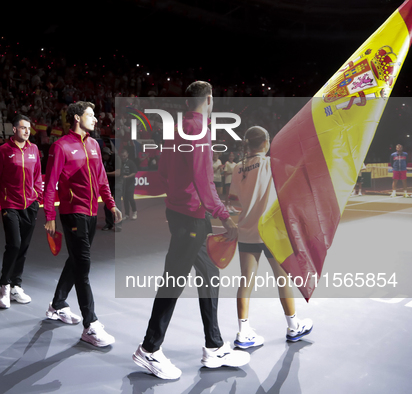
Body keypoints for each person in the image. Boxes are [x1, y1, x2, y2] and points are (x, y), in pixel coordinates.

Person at [132, 81, 249, 380]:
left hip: (182, 212)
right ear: (209, 99)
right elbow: (203, 179)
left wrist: (179, 196)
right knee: (173, 281)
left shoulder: (175, 128)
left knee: (210, 275)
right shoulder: (199, 130)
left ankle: (214, 346)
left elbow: (163, 171)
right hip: (192, 216)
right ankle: (149, 349)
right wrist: (224, 215)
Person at [43, 101, 122, 347]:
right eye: (90, 115)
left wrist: (110, 204)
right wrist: (49, 216)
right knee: (83, 267)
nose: (96, 119)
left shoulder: (94, 144)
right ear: (77, 117)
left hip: (91, 213)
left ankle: (57, 304)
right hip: (72, 212)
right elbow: (51, 182)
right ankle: (91, 325)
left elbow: (101, 180)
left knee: (76, 260)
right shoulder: (60, 146)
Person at [229, 126, 313, 350]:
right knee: (282, 280)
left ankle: (243, 331)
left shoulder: (237, 168)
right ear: (266, 143)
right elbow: (301, 178)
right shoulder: (272, 163)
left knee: (245, 281)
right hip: (272, 232)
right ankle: (293, 326)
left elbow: (234, 203)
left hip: (246, 230)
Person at [0, 115, 42, 308]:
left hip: (30, 206)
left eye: (29, 128)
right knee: (14, 245)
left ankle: (16, 285)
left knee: (23, 247)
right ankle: (4, 286)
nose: (27, 131)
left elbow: (38, 177)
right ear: (14, 130)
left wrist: (38, 196)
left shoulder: (33, 149)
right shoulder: (2, 151)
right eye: (23, 128)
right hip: (10, 205)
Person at [102, 147, 120, 231]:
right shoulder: (102, 159)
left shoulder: (116, 158)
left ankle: (118, 225)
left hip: (117, 183)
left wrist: (105, 174)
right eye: (103, 155)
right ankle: (109, 224)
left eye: (106, 155)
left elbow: (118, 172)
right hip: (109, 183)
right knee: (107, 206)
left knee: (117, 204)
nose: (105, 157)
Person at [121, 148, 138, 220]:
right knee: (125, 199)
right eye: (122, 156)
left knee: (130, 198)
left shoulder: (131, 163)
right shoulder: (120, 162)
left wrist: (127, 177)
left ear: (127, 155)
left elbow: (134, 172)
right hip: (123, 184)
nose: (123, 157)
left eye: (124, 156)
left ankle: (134, 212)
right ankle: (127, 214)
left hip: (130, 183)